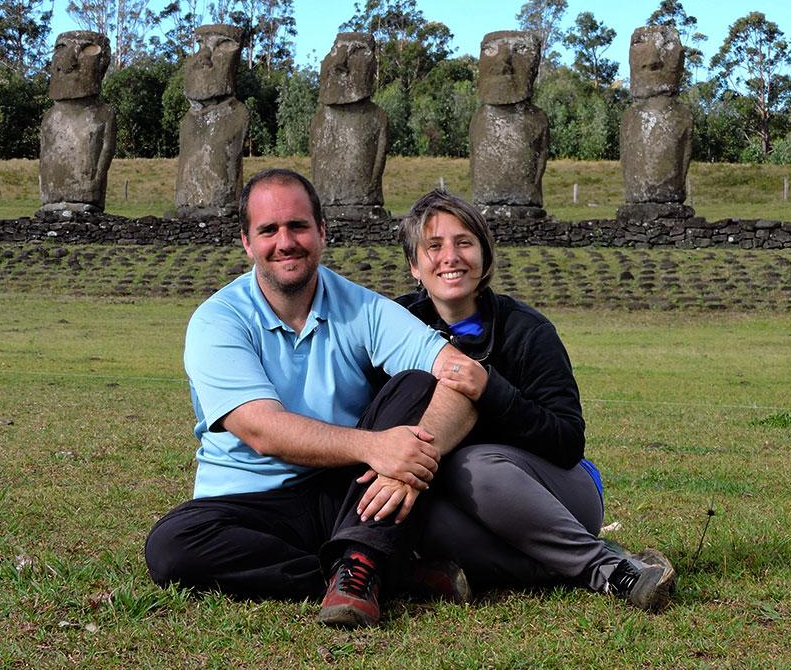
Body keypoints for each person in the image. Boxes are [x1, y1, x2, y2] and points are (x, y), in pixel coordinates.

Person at [144, 169, 481, 627]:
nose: (286, 242)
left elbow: (463, 376)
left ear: (322, 231)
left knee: (417, 385)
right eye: (269, 230)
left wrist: (416, 454)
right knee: (172, 547)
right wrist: (376, 447)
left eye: (298, 226)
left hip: (345, 492)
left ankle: (359, 561)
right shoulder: (217, 321)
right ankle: (382, 572)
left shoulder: (362, 307)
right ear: (247, 242)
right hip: (249, 500)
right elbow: (262, 429)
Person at [390, 189, 675, 611]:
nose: (450, 256)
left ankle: (606, 568)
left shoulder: (527, 330)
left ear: (484, 256)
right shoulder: (396, 326)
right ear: (414, 265)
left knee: (476, 465)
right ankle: (557, 567)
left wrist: (492, 393)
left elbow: (566, 441)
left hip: (551, 493)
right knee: (417, 516)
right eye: (433, 246)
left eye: (464, 242)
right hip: (457, 505)